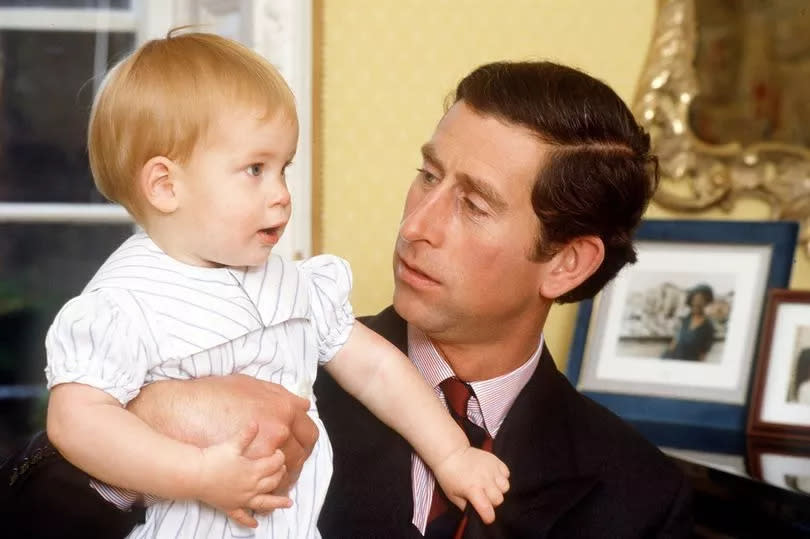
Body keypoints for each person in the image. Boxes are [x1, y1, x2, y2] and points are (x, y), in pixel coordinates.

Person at [0, 60, 692, 538]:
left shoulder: (639, 491)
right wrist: (158, 414)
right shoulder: (282, 357)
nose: (416, 225)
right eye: (426, 175)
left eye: (474, 204)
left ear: (567, 263)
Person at [27, 30, 511, 539]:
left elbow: (376, 369)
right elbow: (76, 422)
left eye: (284, 168)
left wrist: (452, 453)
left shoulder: (293, 284)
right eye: (255, 169)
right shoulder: (125, 303)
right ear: (167, 186)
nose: (281, 195)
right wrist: (194, 474)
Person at [661, 284, 716, 362]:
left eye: (700, 300)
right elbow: (674, 343)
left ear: (706, 302)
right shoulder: (686, 319)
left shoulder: (708, 327)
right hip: (673, 360)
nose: (696, 303)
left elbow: (702, 356)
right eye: (694, 300)